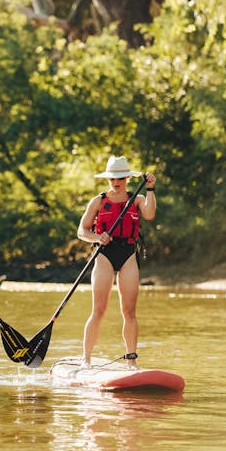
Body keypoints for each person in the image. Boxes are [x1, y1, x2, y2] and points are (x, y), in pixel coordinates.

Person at [77, 156, 157, 369]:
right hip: (104, 255)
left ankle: (131, 360)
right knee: (99, 310)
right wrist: (97, 237)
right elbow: (81, 231)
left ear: (128, 178)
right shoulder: (98, 201)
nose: (116, 181)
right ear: (109, 179)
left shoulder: (137, 199)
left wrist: (150, 188)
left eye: (120, 177)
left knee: (129, 312)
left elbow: (149, 214)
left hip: (128, 255)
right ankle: (86, 359)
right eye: (113, 178)